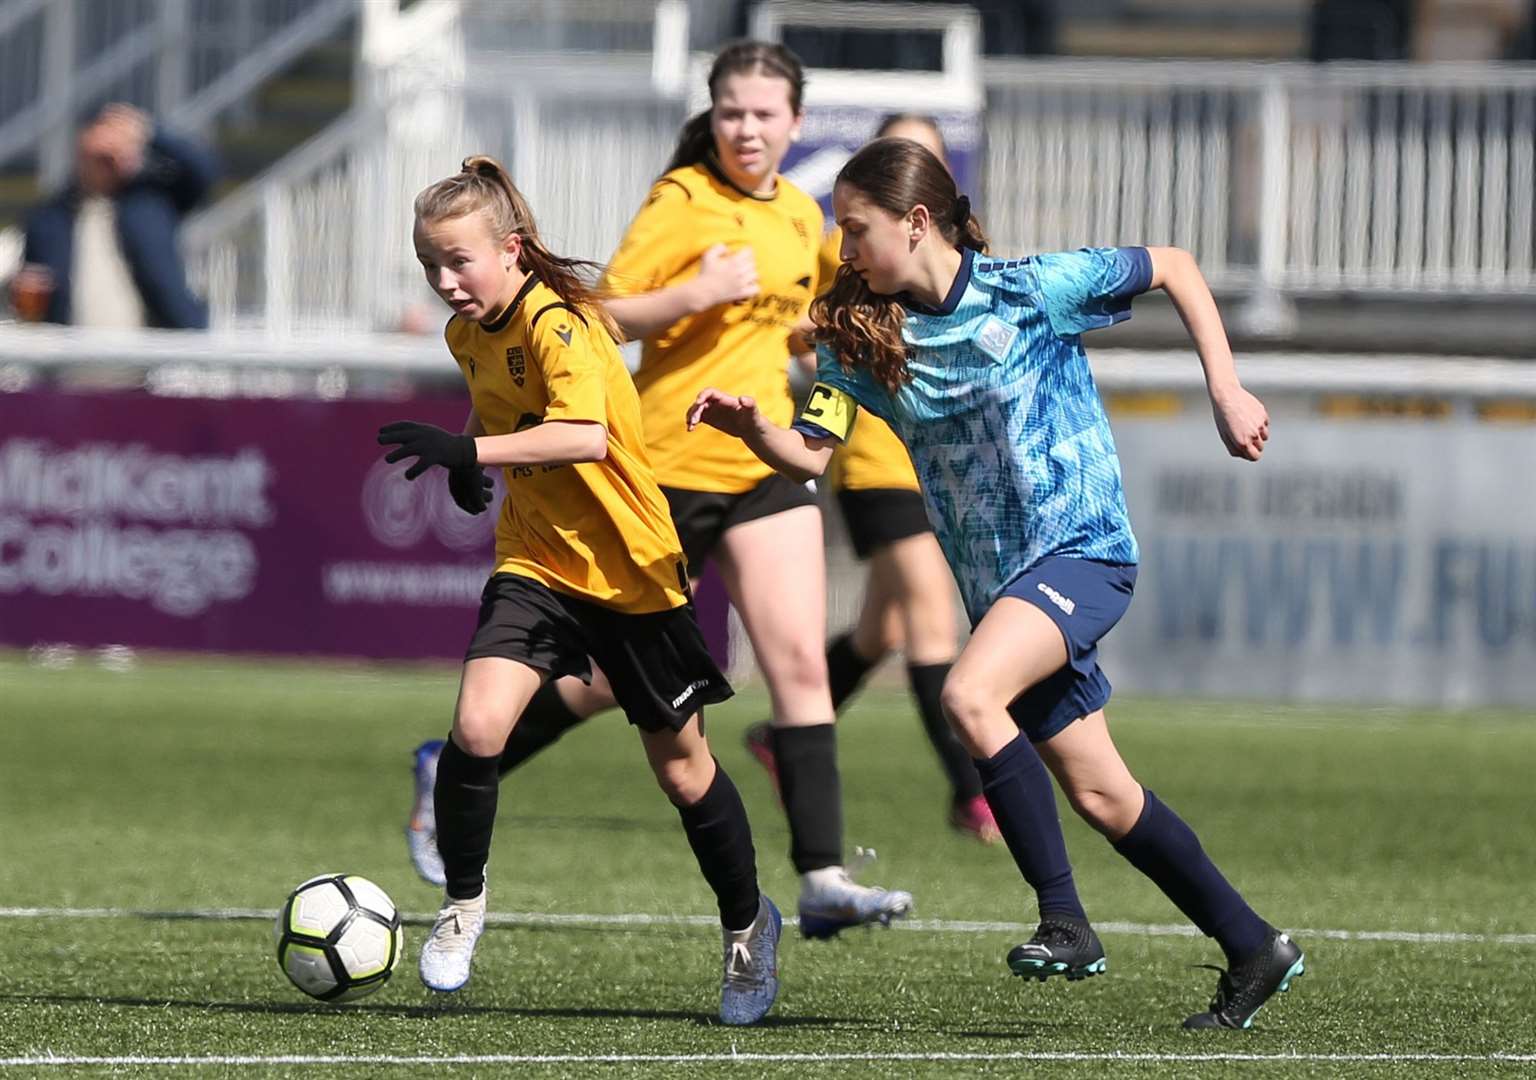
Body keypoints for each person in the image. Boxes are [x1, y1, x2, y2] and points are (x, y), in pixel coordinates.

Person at [685, 136, 1306, 1030]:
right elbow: (810, 455)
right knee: (1103, 794)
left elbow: (1173, 265)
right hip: (1007, 589)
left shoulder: (1031, 288)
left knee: (972, 694)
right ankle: (1253, 945)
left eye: (855, 230)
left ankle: (1065, 922)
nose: (844, 250)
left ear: (917, 221)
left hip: (1084, 551)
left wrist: (1227, 389)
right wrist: (753, 430)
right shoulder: (860, 339)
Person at [404, 41, 913, 943]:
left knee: (798, 664)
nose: (746, 128)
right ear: (712, 117)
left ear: (797, 123)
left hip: (758, 463)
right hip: (662, 468)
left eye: (763, 114)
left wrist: (822, 351)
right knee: (612, 686)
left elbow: (802, 333)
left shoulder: (803, 214)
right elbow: (594, 309)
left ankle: (823, 875)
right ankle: (457, 762)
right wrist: (698, 291)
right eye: (731, 112)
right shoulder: (683, 201)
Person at [378, 155, 780, 1026]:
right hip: (536, 560)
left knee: (682, 771)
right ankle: (463, 904)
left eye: (459, 262)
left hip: (631, 566)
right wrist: (470, 454)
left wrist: (469, 454)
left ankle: (748, 925)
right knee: (478, 725)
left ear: (512, 250)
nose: (446, 282)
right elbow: (499, 410)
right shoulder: (467, 333)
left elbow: (587, 436)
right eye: (429, 267)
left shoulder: (562, 324)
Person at [743, 113, 998, 845]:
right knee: (929, 616)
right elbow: (796, 330)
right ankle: (973, 793)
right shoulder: (842, 249)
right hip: (878, 461)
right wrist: (828, 347)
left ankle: (778, 736)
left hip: (939, 462)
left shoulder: (958, 258)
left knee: (883, 626)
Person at [12, 103, 218, 328]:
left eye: (117, 153)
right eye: (100, 156)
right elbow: (32, 283)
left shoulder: (150, 204)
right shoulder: (50, 218)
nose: (110, 162)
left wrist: (149, 132)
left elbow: (203, 170)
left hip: (152, 354)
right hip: (70, 354)